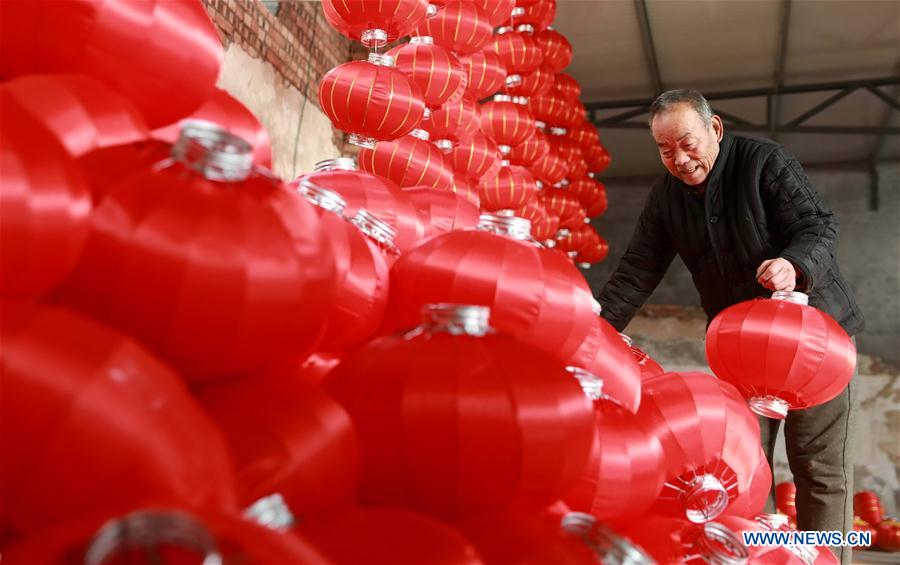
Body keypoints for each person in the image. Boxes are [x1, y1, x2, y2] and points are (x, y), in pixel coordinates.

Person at [596, 89, 864, 563]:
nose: (679, 159)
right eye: (665, 149)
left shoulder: (765, 163)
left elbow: (819, 225)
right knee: (736, 470)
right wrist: (592, 329)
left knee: (819, 470)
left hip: (814, 346)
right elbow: (639, 269)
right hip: (744, 355)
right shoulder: (666, 197)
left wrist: (792, 264)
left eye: (688, 143)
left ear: (715, 129)